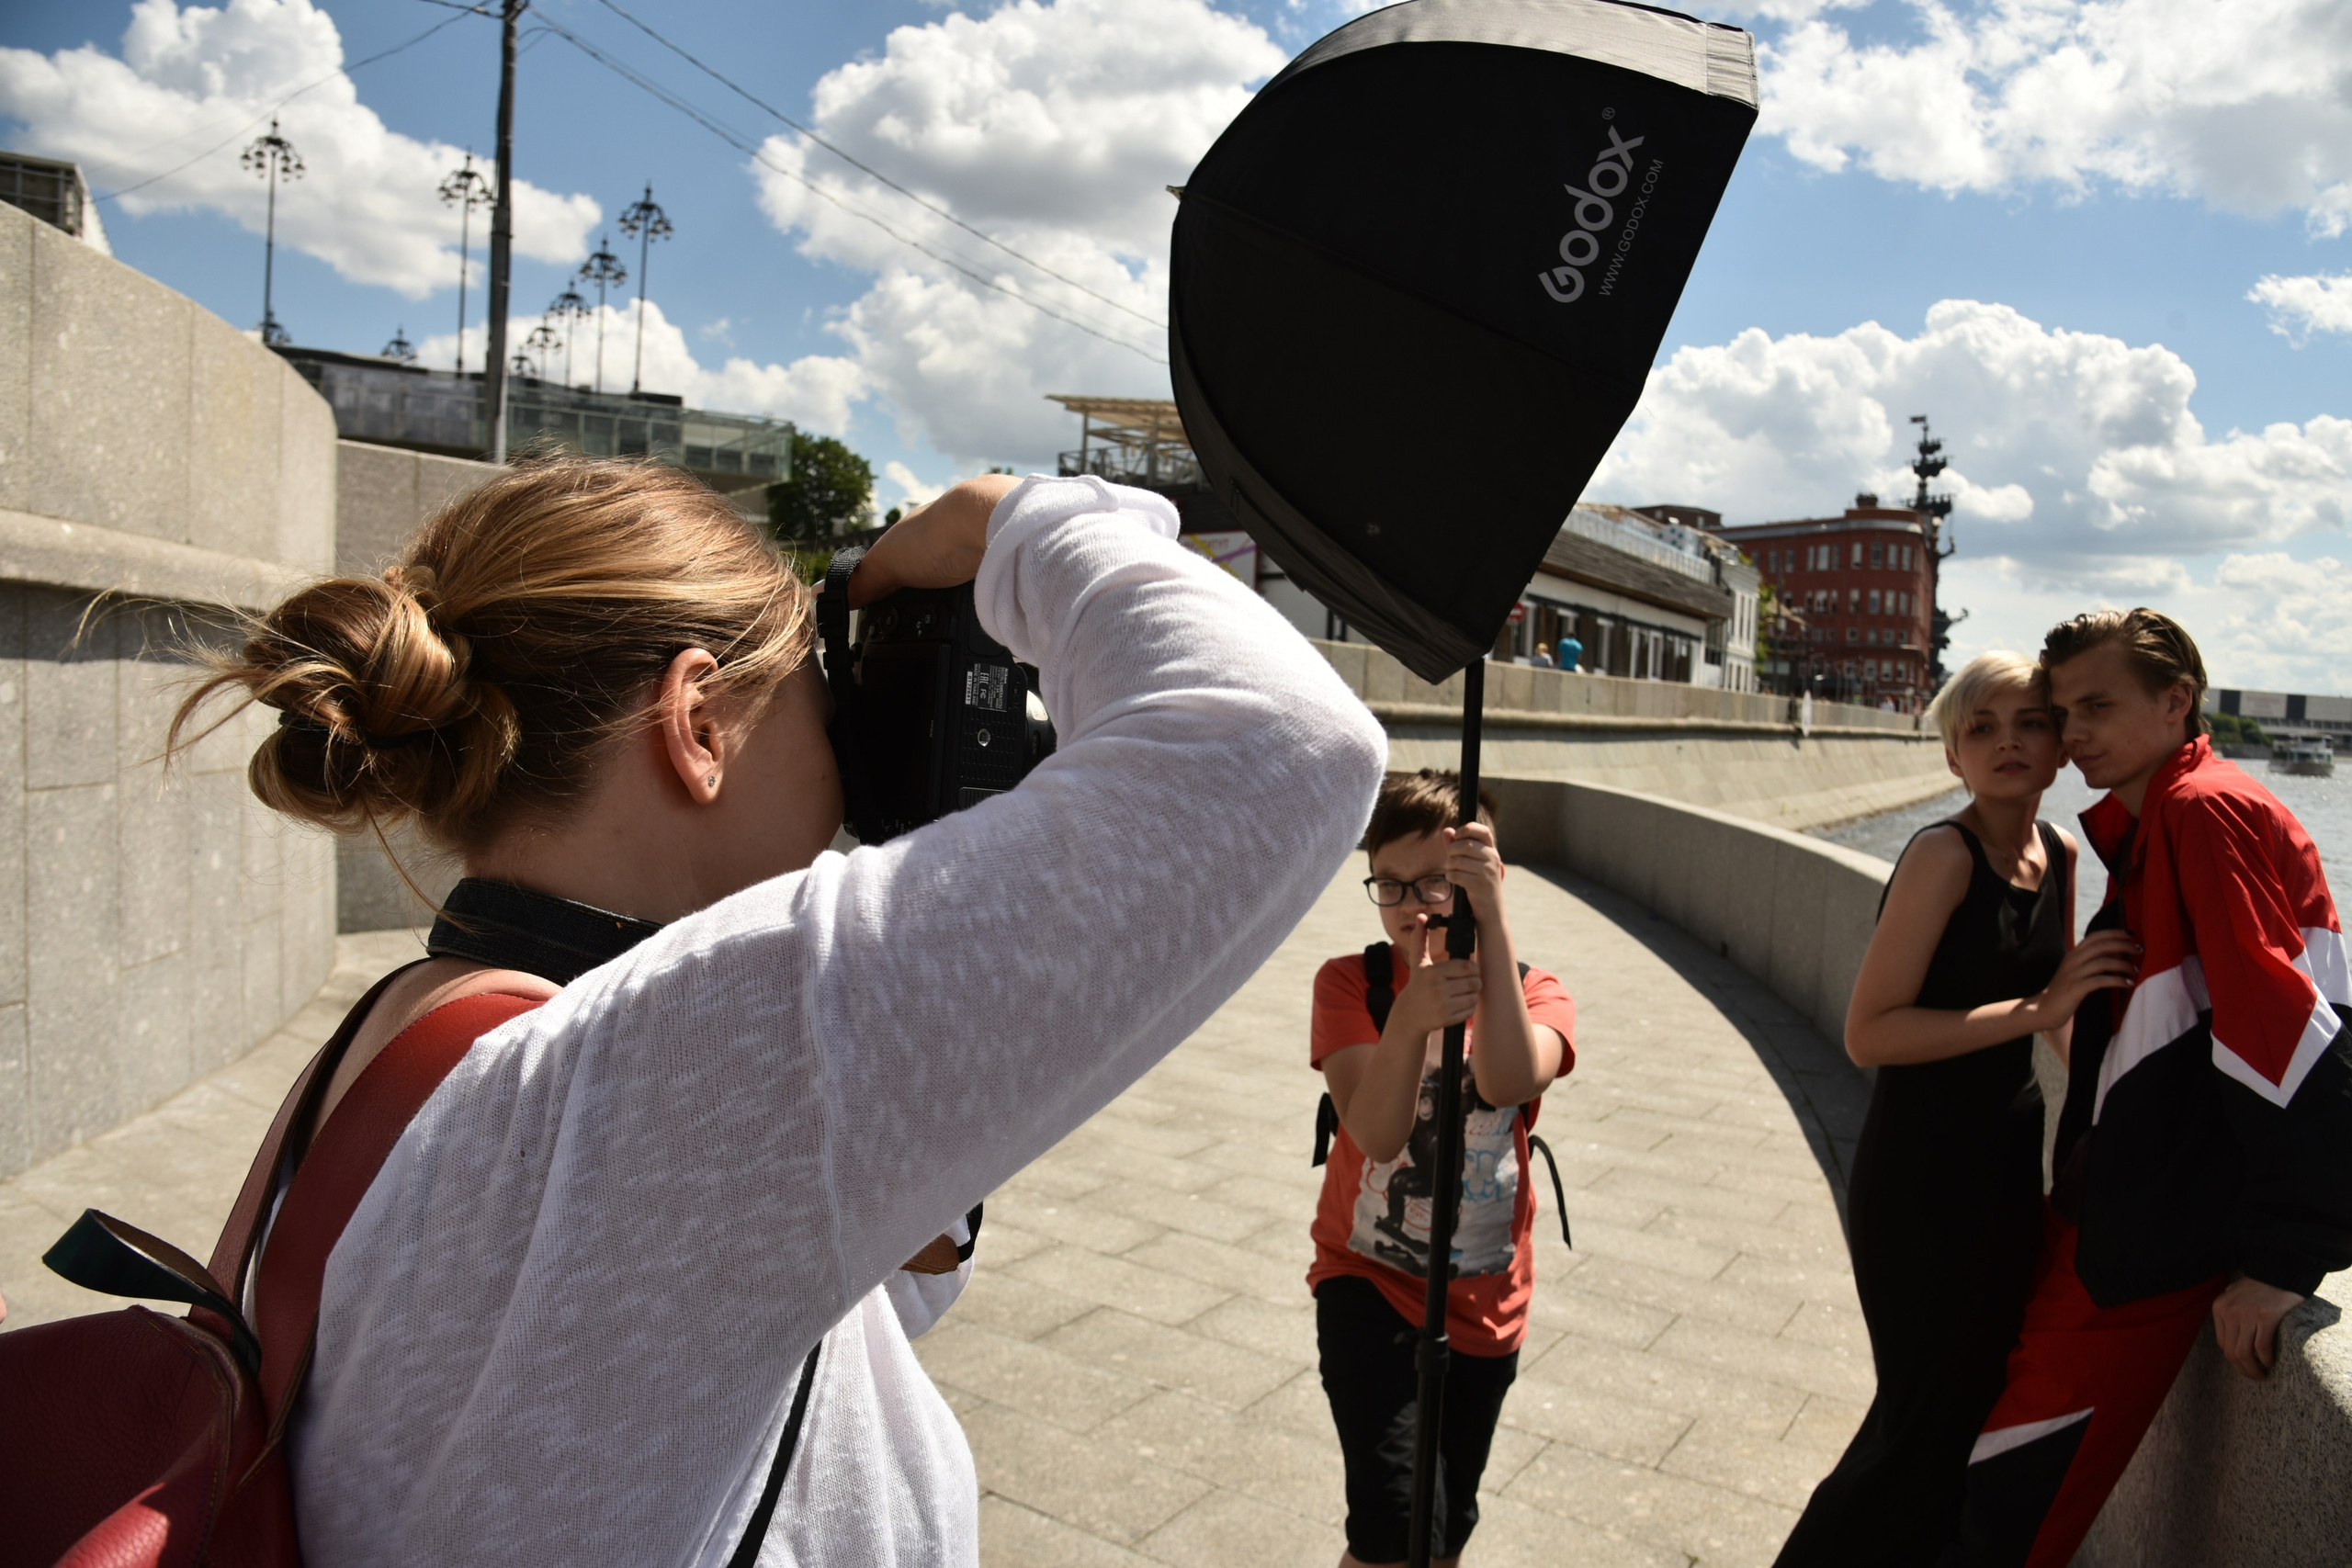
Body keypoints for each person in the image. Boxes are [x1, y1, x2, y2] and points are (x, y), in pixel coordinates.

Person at [170, 457, 1387, 1566]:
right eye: (814, 688)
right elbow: (1283, 739)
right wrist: (1013, 518)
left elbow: (754, 1336)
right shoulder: (666, 1068)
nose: (840, 740)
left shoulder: (423, 1025)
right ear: (698, 724)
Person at [1942, 609, 2352, 1567]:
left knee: (2010, 1501)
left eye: (2096, 707)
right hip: (2125, 1211)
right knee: (2001, 1483)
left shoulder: (2201, 812)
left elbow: (2290, 1041)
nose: (2072, 732)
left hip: (2147, 1240)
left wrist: (2289, 1256)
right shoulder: (2159, 814)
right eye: (2062, 711)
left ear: (2176, 702)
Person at [1773, 654, 2135, 1567]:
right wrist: (2040, 1010)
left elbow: (2058, 1019)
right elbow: (1869, 1032)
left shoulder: (2055, 852)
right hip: (1919, 1178)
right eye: (1981, 728)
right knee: (1918, 1422)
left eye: (2028, 723)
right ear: (1951, 758)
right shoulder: (1942, 855)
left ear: (2058, 748)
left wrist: (2117, 1116)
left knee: (1972, 1405)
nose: (2007, 742)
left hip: (2009, 1165)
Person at [1307, 770, 1575, 1567]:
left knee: (1446, 1533)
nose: (1414, 905)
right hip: (1368, 1283)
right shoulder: (1350, 982)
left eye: (1439, 882)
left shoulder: (1538, 990)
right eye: (1390, 885)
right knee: (1393, 1531)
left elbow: (1506, 1079)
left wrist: (1489, 930)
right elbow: (1378, 1133)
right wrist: (1414, 1019)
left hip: (1486, 1306)